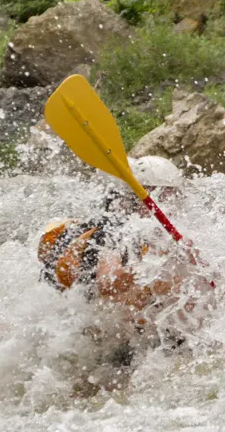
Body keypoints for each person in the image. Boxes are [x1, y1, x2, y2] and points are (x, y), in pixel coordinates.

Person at [38, 155, 214, 395]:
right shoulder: (113, 231)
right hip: (80, 317)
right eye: (163, 195)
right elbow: (108, 282)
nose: (171, 203)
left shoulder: (164, 232)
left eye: (174, 195)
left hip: (121, 323)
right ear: (139, 198)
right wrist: (152, 272)